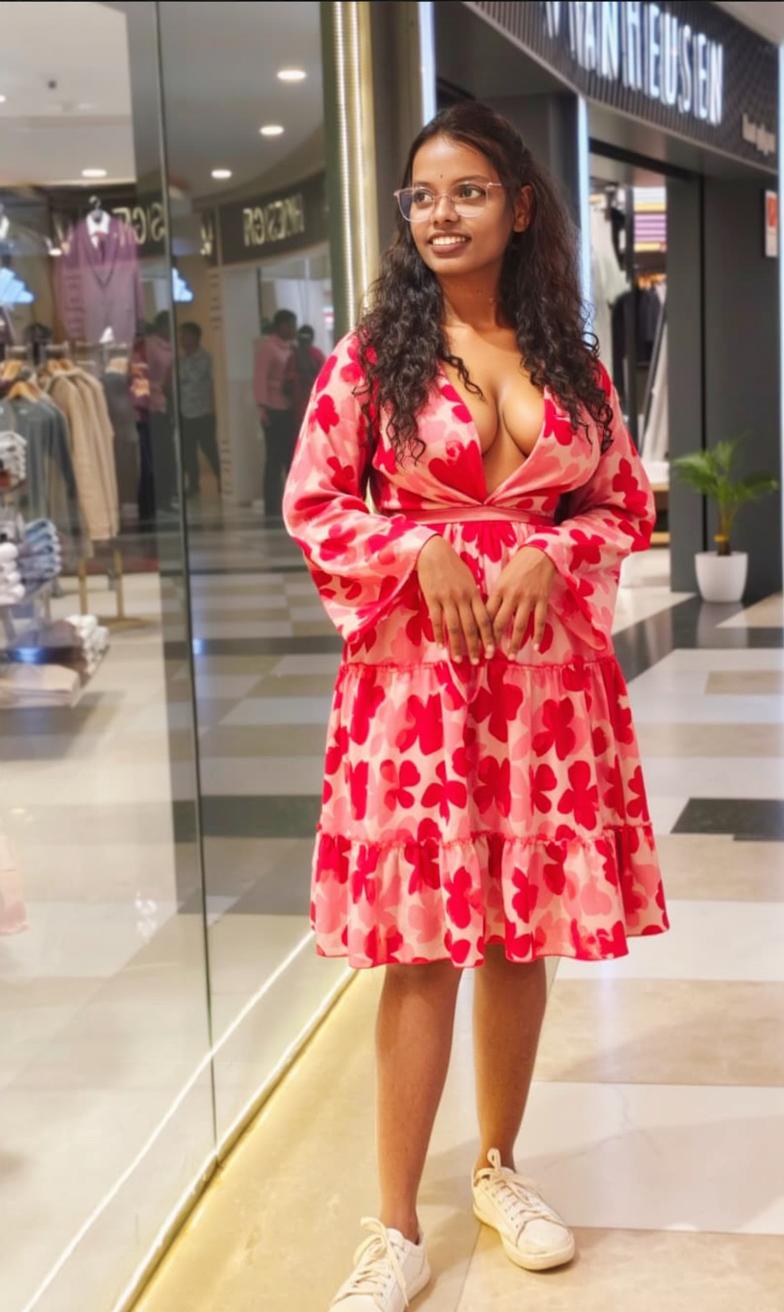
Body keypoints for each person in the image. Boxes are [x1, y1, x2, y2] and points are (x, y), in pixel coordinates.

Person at [282, 102, 670, 1311]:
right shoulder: (371, 358)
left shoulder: (568, 358)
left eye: (465, 192)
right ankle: (394, 1224)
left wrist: (554, 553)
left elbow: (621, 506)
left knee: (518, 935)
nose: (440, 215)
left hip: (549, 684)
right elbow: (310, 501)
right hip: (414, 689)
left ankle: (500, 1167)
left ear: (519, 207)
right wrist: (415, 548)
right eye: (421, 197)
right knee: (418, 949)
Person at [252, 306, 297, 520]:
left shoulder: (292, 348)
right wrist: (262, 407)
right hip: (272, 409)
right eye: (289, 324)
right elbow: (260, 377)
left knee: (290, 458)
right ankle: (271, 506)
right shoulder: (268, 348)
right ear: (280, 325)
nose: (292, 329)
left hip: (290, 408)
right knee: (273, 459)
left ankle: (292, 503)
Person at [177, 321, 221, 496]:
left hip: (203, 412)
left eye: (185, 335)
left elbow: (198, 381)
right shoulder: (180, 360)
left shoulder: (205, 358)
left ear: (195, 337)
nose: (181, 339)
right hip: (185, 412)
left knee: (209, 448)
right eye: (180, 335)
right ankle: (193, 485)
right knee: (188, 452)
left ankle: (222, 479)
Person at [283, 323, 326, 428]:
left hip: (303, 401)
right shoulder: (316, 354)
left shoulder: (294, 354)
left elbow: (288, 378)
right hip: (307, 399)